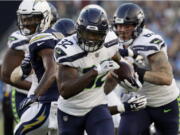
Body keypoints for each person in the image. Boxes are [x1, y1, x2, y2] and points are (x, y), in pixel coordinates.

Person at [54, 4, 141, 135]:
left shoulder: (110, 42)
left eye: (96, 35)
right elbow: (65, 91)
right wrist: (95, 71)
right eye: (87, 33)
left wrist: (130, 74)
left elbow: (120, 60)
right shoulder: (68, 49)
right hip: (71, 110)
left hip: (97, 106)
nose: (90, 39)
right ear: (78, 30)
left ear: (105, 35)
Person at [112, 3, 179, 135]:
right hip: (137, 102)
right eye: (118, 25)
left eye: (127, 26)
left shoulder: (149, 41)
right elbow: (111, 77)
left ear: (138, 25)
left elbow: (166, 78)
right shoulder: (112, 41)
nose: (122, 30)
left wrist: (137, 71)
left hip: (164, 101)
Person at [12, 0, 60, 135]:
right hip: (67, 100)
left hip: (49, 103)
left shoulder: (40, 38)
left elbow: (52, 70)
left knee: (20, 131)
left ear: (44, 18)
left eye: (32, 18)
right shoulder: (59, 35)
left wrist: (34, 95)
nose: (27, 23)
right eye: (25, 18)